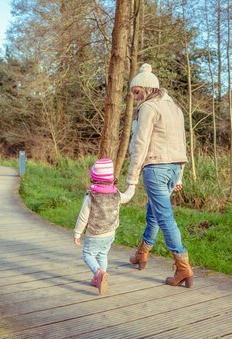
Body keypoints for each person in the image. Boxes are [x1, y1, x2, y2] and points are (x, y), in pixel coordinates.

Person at [126, 63, 194, 288]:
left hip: (156, 167)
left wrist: (132, 178)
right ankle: (142, 253)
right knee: (154, 213)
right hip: (174, 167)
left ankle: (183, 267)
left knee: (164, 217)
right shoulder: (174, 107)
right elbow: (181, 143)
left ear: (145, 88)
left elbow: (140, 143)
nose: (135, 97)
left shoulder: (148, 108)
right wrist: (181, 175)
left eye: (136, 92)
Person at [74, 158, 136, 295]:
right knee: (103, 254)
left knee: (88, 254)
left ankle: (99, 274)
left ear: (94, 178)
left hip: (95, 234)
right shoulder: (116, 193)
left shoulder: (91, 196)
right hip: (110, 233)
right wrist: (132, 186)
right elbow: (126, 197)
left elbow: (83, 217)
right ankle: (100, 279)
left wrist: (77, 233)